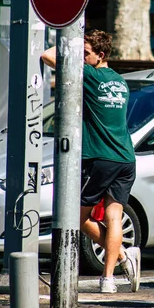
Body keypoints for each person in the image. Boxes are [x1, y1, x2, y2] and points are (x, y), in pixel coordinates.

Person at [41, 30, 140, 294]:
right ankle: (108, 279)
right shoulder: (121, 82)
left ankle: (120, 255)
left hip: (100, 158)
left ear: (101, 55)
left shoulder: (92, 77)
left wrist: (70, 42)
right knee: (114, 217)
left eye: (86, 54)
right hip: (125, 158)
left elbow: (47, 56)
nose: (82, 58)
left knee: (75, 216)